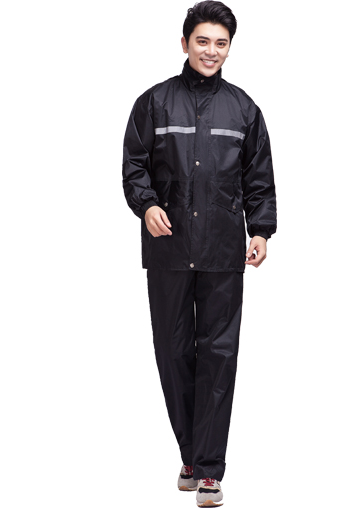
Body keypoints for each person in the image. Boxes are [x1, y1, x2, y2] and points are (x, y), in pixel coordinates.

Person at [122, 1, 277, 505]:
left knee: (218, 355)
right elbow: (134, 166)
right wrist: (146, 205)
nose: (211, 51)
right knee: (172, 352)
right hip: (168, 247)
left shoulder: (244, 110)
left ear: (230, 48)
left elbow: (258, 177)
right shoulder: (153, 103)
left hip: (222, 250)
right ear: (185, 42)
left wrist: (261, 231)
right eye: (203, 41)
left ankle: (207, 470)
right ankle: (191, 452)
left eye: (221, 43)